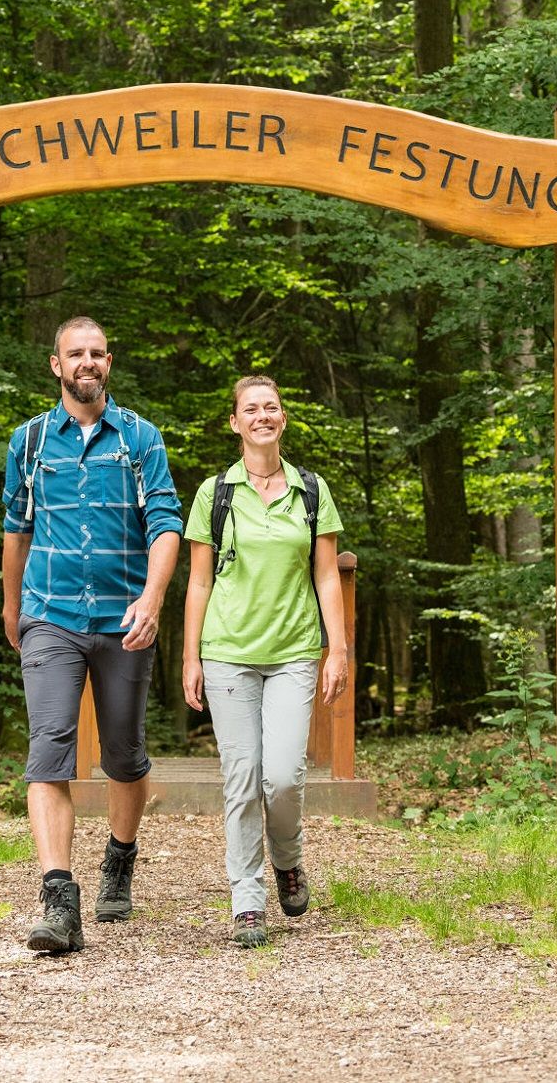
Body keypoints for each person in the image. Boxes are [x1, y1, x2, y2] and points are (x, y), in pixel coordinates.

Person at [2, 316, 182, 955]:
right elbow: (16, 527)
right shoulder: (28, 443)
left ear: (110, 362)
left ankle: (120, 859)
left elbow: (165, 524)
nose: (86, 362)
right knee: (48, 748)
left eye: (97, 353)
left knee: (123, 757)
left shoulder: (139, 440)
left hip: (123, 621)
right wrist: (11, 605)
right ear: (56, 365)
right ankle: (58, 898)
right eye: (74, 353)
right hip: (49, 615)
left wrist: (154, 598)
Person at [182, 374, 347, 948]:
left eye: (270, 407)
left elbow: (326, 576)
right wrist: (190, 656)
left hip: (295, 651)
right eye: (250, 409)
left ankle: (288, 856)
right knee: (242, 777)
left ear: (283, 418)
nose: (262, 416)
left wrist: (338, 649)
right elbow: (198, 582)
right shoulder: (214, 493)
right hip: (227, 652)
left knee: (281, 776)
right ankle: (248, 899)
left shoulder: (311, 488)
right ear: (235, 422)